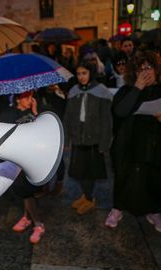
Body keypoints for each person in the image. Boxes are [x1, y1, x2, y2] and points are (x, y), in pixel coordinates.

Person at [105, 51, 161, 232]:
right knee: (124, 174)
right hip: (128, 140)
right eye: (140, 69)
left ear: (157, 69)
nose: (145, 72)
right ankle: (117, 208)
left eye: (149, 67)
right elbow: (120, 112)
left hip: (153, 140)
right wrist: (137, 87)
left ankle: (154, 211)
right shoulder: (127, 90)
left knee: (153, 175)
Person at [63, 60, 112, 215]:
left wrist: (104, 143)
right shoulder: (73, 92)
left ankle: (90, 199)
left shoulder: (101, 91)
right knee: (79, 171)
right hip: (78, 139)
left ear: (91, 73)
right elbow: (68, 118)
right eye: (78, 74)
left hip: (94, 140)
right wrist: (66, 139)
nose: (81, 77)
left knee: (91, 172)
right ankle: (86, 196)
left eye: (84, 73)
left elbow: (106, 120)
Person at [0, 90, 45, 244]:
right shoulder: (9, 114)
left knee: (29, 192)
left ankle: (36, 223)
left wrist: (35, 112)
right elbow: (6, 136)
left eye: (32, 96)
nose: (30, 99)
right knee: (26, 192)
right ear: (18, 99)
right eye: (27, 97)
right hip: (17, 160)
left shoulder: (33, 112)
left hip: (33, 157)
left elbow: (41, 132)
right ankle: (33, 221)